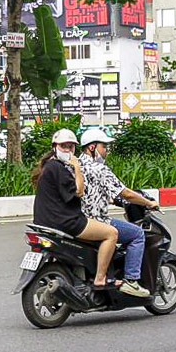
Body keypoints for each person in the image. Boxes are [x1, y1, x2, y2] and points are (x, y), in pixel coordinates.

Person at [31, 129, 120, 291]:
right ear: (55, 147)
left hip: (45, 221)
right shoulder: (60, 168)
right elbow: (79, 191)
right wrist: (77, 167)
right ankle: (100, 278)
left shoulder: (48, 167)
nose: (68, 150)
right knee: (111, 233)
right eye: (64, 146)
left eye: (71, 147)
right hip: (66, 222)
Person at [78, 127, 160, 297]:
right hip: (97, 220)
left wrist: (113, 200)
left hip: (78, 219)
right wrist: (148, 203)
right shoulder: (99, 168)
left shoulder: (76, 165)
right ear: (92, 147)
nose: (106, 151)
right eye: (104, 146)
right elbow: (126, 193)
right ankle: (131, 280)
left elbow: (92, 192)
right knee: (137, 234)